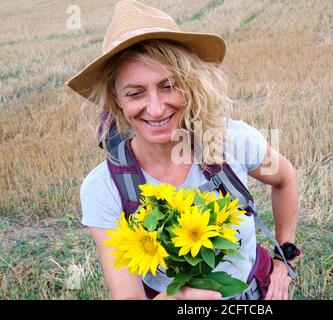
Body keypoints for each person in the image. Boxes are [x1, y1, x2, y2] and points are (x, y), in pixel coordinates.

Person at [65, 0, 299, 300]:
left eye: (168, 86)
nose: (156, 107)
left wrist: (284, 260)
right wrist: (176, 299)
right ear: (116, 99)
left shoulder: (232, 141)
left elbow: (285, 179)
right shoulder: (104, 189)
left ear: (189, 83)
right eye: (135, 93)